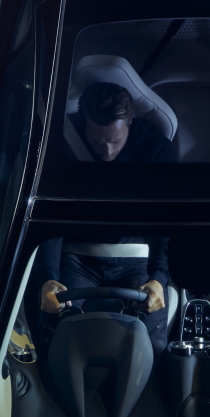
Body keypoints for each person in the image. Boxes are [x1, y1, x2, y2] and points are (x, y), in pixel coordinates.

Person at [39, 83, 175, 349]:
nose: (108, 151)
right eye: (97, 142)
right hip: (78, 257)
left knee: (153, 343)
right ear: (83, 124)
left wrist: (158, 278)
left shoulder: (157, 151)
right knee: (52, 336)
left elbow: (165, 222)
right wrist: (48, 276)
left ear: (130, 122)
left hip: (136, 258)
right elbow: (51, 215)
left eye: (115, 140)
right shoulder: (62, 143)